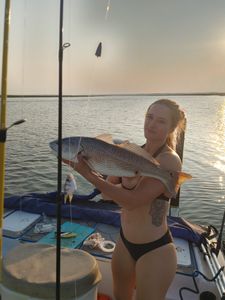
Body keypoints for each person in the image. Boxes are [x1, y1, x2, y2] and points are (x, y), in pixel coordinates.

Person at [64, 99, 186, 300]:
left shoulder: (169, 160)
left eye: (161, 121)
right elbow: (106, 194)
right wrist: (96, 165)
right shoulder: (129, 152)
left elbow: (132, 201)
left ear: (171, 127)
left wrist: (87, 174)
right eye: (149, 117)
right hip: (124, 242)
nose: (152, 124)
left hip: (155, 249)